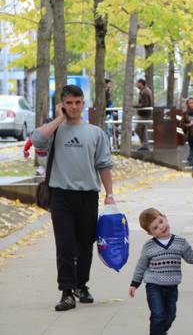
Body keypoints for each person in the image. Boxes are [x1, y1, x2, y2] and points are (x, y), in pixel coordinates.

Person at [30, 84, 115, 312]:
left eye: (78, 102)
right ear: (62, 104)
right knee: (65, 244)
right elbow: (37, 140)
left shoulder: (95, 133)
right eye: (69, 103)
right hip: (61, 196)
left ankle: (81, 285)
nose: (74, 107)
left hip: (88, 195)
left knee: (85, 243)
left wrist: (110, 194)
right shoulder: (54, 130)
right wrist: (59, 119)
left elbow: (104, 165)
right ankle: (66, 291)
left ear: (83, 103)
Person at [129, 208, 193, 335]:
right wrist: (135, 283)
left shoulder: (180, 242)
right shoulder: (149, 246)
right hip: (153, 285)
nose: (161, 227)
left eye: (161, 222)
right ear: (150, 233)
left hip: (172, 287)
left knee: (170, 315)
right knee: (158, 315)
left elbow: (191, 258)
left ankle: (161, 331)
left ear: (165, 217)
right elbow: (141, 266)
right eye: (155, 228)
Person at [134, 78, 153, 151]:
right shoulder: (144, 90)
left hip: (144, 114)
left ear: (141, 83)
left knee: (137, 129)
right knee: (143, 129)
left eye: (137, 83)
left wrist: (134, 106)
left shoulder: (145, 92)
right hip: (145, 114)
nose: (136, 85)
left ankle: (145, 145)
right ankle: (145, 145)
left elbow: (145, 104)